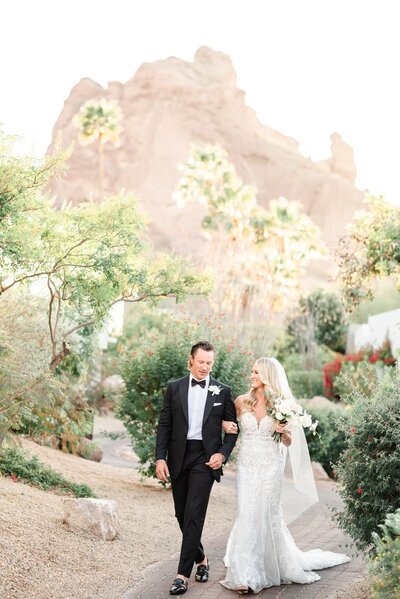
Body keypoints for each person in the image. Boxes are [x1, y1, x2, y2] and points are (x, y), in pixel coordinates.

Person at [220, 356, 350, 595]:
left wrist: (283, 432)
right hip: (247, 466)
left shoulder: (283, 405)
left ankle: (264, 565)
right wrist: (225, 427)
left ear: (268, 376)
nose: (252, 375)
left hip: (271, 466)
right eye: (252, 371)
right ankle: (245, 572)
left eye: (257, 372)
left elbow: (289, 441)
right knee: (248, 512)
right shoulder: (241, 401)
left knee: (265, 512)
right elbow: (227, 425)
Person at [155, 340, 239, 596]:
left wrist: (222, 454)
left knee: (194, 513)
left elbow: (234, 430)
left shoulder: (222, 391)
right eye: (201, 362)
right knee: (181, 514)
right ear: (191, 360)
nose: (204, 367)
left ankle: (182, 575)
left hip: (205, 459)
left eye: (209, 363)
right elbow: (165, 425)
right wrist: (160, 458)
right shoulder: (174, 388)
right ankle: (201, 559)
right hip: (179, 457)